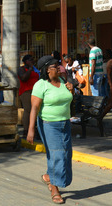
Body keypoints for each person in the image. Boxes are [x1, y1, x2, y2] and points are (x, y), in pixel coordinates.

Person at [27, 55, 74, 205]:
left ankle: (49, 176)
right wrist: (30, 130)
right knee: (56, 156)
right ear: (47, 70)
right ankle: (54, 189)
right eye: (55, 66)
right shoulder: (40, 85)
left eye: (59, 65)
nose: (59, 68)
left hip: (65, 123)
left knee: (66, 154)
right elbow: (34, 108)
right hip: (49, 124)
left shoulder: (62, 82)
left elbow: (67, 100)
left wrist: (71, 91)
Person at [18, 54, 39, 133]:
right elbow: (23, 78)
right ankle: (26, 129)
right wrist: (30, 69)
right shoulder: (22, 69)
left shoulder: (35, 69)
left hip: (35, 91)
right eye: (30, 60)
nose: (32, 61)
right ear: (26, 61)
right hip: (26, 91)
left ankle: (34, 127)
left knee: (35, 110)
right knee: (28, 110)